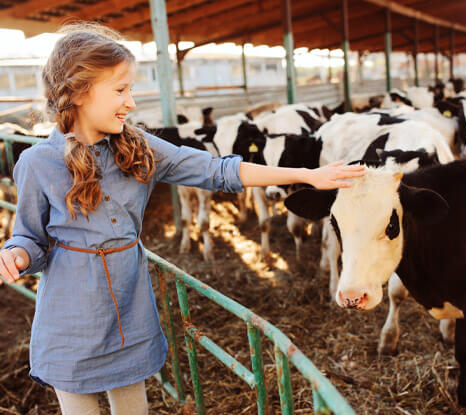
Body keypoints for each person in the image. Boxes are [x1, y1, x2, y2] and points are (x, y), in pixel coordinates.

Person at [0, 23, 364, 415]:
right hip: (70, 320)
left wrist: (304, 175)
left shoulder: (137, 147)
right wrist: (17, 253)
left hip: (129, 309)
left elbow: (216, 170)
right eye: (120, 90)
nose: (131, 102)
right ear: (79, 92)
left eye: (131, 90)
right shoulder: (38, 163)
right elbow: (30, 237)